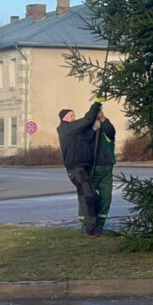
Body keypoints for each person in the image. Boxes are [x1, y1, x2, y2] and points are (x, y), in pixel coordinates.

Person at [57, 99, 103, 236]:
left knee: (88, 197)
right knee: (89, 197)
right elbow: (87, 120)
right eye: (71, 116)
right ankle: (92, 229)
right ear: (64, 118)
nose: (74, 118)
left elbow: (86, 138)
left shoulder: (74, 132)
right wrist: (96, 104)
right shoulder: (66, 129)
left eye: (74, 115)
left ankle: (91, 227)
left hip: (82, 167)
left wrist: (94, 129)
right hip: (76, 169)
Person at [89, 110, 116, 235]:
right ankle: (88, 225)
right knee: (88, 198)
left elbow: (111, 132)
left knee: (106, 198)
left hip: (106, 168)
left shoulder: (107, 128)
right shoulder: (87, 130)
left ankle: (100, 225)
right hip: (92, 169)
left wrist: (103, 119)